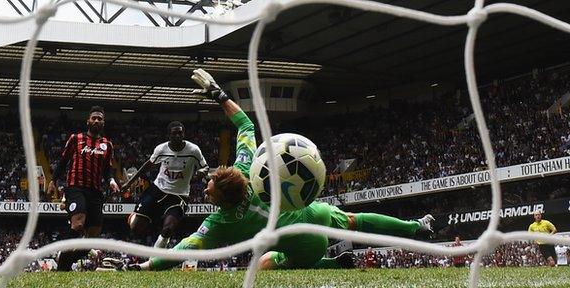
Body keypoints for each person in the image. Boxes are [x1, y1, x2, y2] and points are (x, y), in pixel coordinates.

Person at [129, 69, 434, 271]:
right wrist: (220, 95)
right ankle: (414, 227)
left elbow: (186, 247)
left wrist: (144, 266)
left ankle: (325, 265)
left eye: (208, 189)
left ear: (222, 198)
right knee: (356, 220)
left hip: (303, 250)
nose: (204, 189)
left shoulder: (222, 222)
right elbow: (246, 125)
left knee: (264, 263)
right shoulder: (246, 168)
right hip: (316, 216)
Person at [47, 106, 120, 271]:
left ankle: (64, 262)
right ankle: (62, 266)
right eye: (93, 118)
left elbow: (107, 169)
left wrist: (111, 180)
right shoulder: (76, 138)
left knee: (92, 238)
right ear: (88, 121)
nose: (96, 120)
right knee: (78, 224)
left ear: (103, 122)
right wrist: (53, 180)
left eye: (99, 118)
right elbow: (63, 161)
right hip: (75, 188)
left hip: (95, 192)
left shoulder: (107, 144)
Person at [120, 121, 209, 248]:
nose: (178, 136)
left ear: (184, 134)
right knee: (135, 229)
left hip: (179, 195)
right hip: (157, 190)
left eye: (180, 133)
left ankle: (154, 259)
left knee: (168, 229)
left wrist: (200, 173)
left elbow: (205, 167)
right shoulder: (161, 149)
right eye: (174, 134)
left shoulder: (193, 150)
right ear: (169, 135)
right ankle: (135, 216)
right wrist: (129, 184)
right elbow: (147, 165)